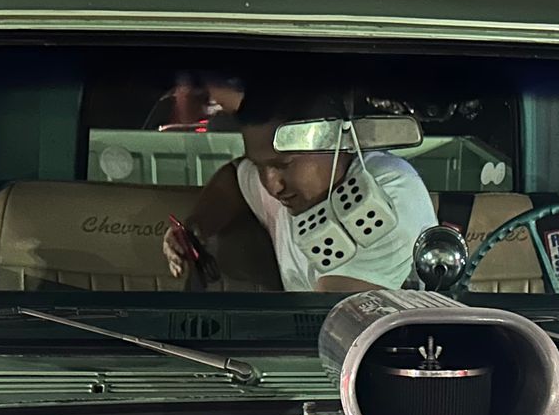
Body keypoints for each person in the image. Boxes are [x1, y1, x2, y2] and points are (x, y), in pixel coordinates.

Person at [162, 84, 437, 293]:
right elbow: (234, 177)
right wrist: (197, 229)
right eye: (260, 166)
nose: (272, 185)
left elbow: (338, 326)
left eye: (284, 164)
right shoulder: (289, 186)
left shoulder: (388, 197)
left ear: (332, 142)